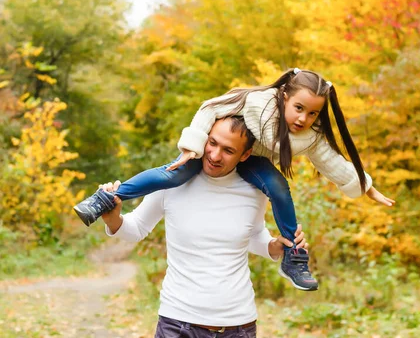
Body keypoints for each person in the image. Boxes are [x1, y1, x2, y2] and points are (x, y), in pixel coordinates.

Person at [74, 68, 395, 291]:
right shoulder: (255, 102)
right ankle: (104, 198)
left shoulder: (308, 137)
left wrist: (366, 186)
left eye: (312, 114)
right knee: (172, 173)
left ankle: (294, 257)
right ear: (284, 96)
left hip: (250, 161)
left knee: (279, 188)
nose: (303, 119)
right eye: (299, 108)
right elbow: (209, 108)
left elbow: (332, 162)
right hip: (225, 148)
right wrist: (194, 146)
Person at [100, 116, 307, 338]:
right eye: (212, 143)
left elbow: (253, 234)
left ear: (245, 155)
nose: (215, 155)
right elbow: (137, 228)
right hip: (178, 326)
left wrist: (274, 247)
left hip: (238, 328)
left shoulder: (254, 191)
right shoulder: (170, 181)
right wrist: (113, 219)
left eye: (228, 150)